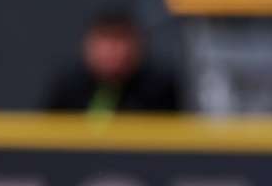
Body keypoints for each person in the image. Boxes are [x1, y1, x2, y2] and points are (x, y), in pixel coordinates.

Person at [45, 9, 181, 113]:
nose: (112, 51)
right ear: (88, 45)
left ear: (138, 45)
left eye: (119, 40)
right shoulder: (69, 87)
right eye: (104, 39)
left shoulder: (159, 90)